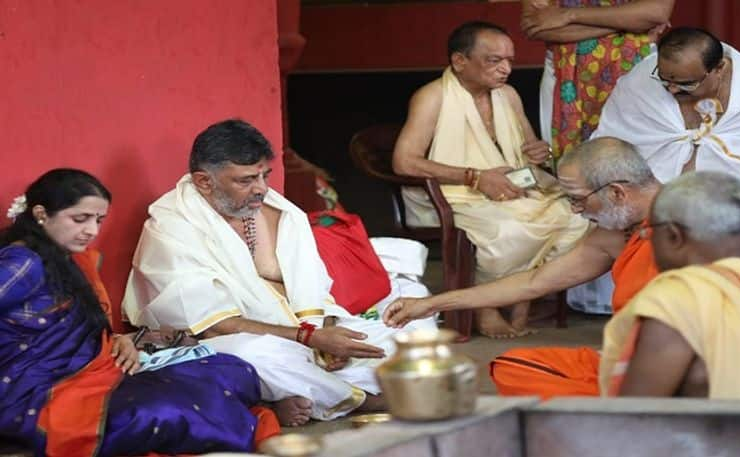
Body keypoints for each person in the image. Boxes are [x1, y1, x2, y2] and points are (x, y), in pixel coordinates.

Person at [383, 137, 740, 397]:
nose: (574, 211)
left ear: (617, 192)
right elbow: (534, 282)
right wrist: (435, 304)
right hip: (637, 360)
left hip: (707, 371)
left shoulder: (706, 222)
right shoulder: (615, 231)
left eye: (576, 199)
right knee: (512, 365)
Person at [123, 119, 428, 427]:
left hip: (302, 331)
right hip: (233, 340)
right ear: (204, 182)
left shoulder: (278, 212)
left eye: (263, 175)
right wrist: (311, 338)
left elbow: (314, 287)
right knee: (257, 356)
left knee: (408, 321)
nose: (262, 189)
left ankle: (302, 393)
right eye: (246, 181)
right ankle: (364, 400)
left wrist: (327, 328)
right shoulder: (171, 228)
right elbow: (212, 326)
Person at [0, 169, 279, 457]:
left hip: (95, 373)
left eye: (98, 220)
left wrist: (117, 340)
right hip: (41, 394)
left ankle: (245, 418)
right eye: (79, 219)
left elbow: (83, 326)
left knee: (229, 368)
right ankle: (254, 426)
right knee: (164, 411)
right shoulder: (23, 263)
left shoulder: (65, 257)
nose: (92, 231)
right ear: (41, 214)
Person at [393, 21, 590, 337]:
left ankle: (523, 295)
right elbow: (404, 162)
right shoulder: (432, 96)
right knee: (508, 230)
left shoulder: (507, 95)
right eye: (494, 60)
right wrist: (475, 177)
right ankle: (486, 304)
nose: (506, 69)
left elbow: (528, 150)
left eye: (510, 60)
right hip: (451, 195)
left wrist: (538, 152)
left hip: (511, 188)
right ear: (460, 61)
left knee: (580, 217)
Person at [593, 27, 740, 273]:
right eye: (664, 79)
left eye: (685, 83)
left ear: (719, 68)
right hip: (662, 180)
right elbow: (613, 144)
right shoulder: (640, 83)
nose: (671, 89)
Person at [521, 0, 674, 314]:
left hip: (636, 70)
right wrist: (629, 24)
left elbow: (656, 13)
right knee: (578, 172)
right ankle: (584, 289)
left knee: (633, 168)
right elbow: (536, 25)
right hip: (567, 75)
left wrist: (569, 16)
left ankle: (645, 281)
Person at [600, 171, 740, 400]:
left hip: (731, 436)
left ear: (673, 236)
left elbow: (633, 416)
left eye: (647, 233)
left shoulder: (675, 301)